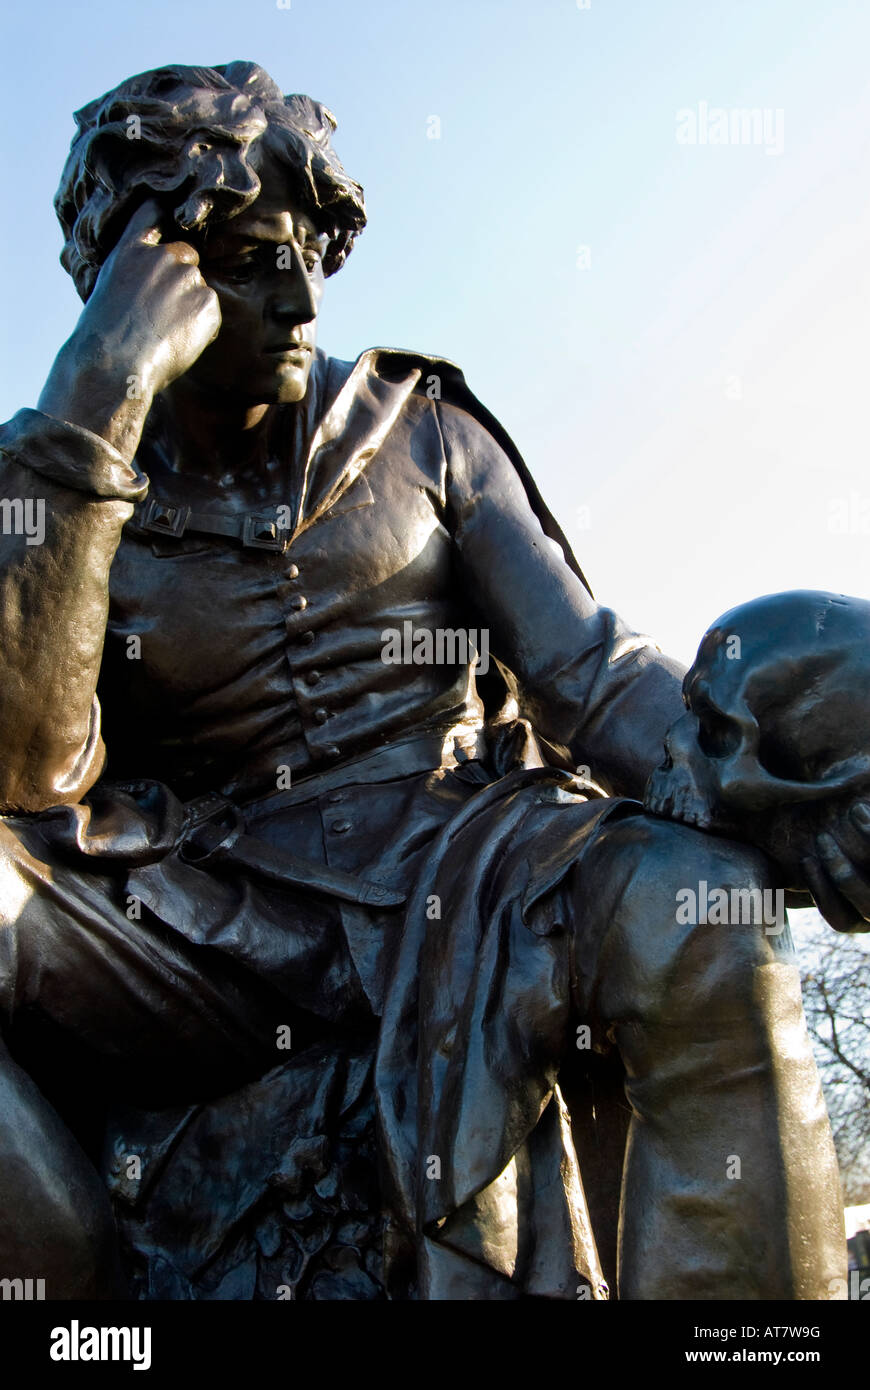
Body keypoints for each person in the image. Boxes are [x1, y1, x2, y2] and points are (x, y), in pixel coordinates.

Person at [0, 62, 846, 1300]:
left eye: (310, 255)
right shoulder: (62, 484)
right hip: (214, 922)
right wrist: (92, 404)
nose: (299, 298)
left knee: (698, 909)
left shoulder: (422, 428)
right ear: (144, 281)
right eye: (244, 259)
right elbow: (25, 781)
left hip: (472, 861)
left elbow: (593, 672)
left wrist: (765, 777)